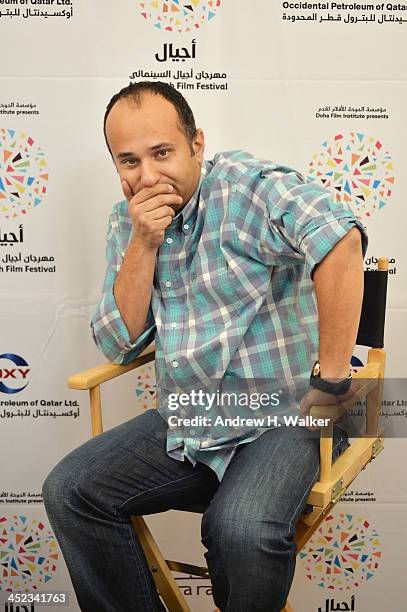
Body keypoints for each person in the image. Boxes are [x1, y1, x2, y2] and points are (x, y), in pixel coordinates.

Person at [42, 81, 367, 612]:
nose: (147, 176)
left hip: (284, 413)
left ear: (197, 144)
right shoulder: (127, 223)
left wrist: (331, 381)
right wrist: (143, 242)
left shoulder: (247, 188)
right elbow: (120, 344)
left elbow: (340, 237)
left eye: (162, 152)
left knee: (239, 529)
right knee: (71, 491)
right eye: (129, 161)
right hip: (191, 414)